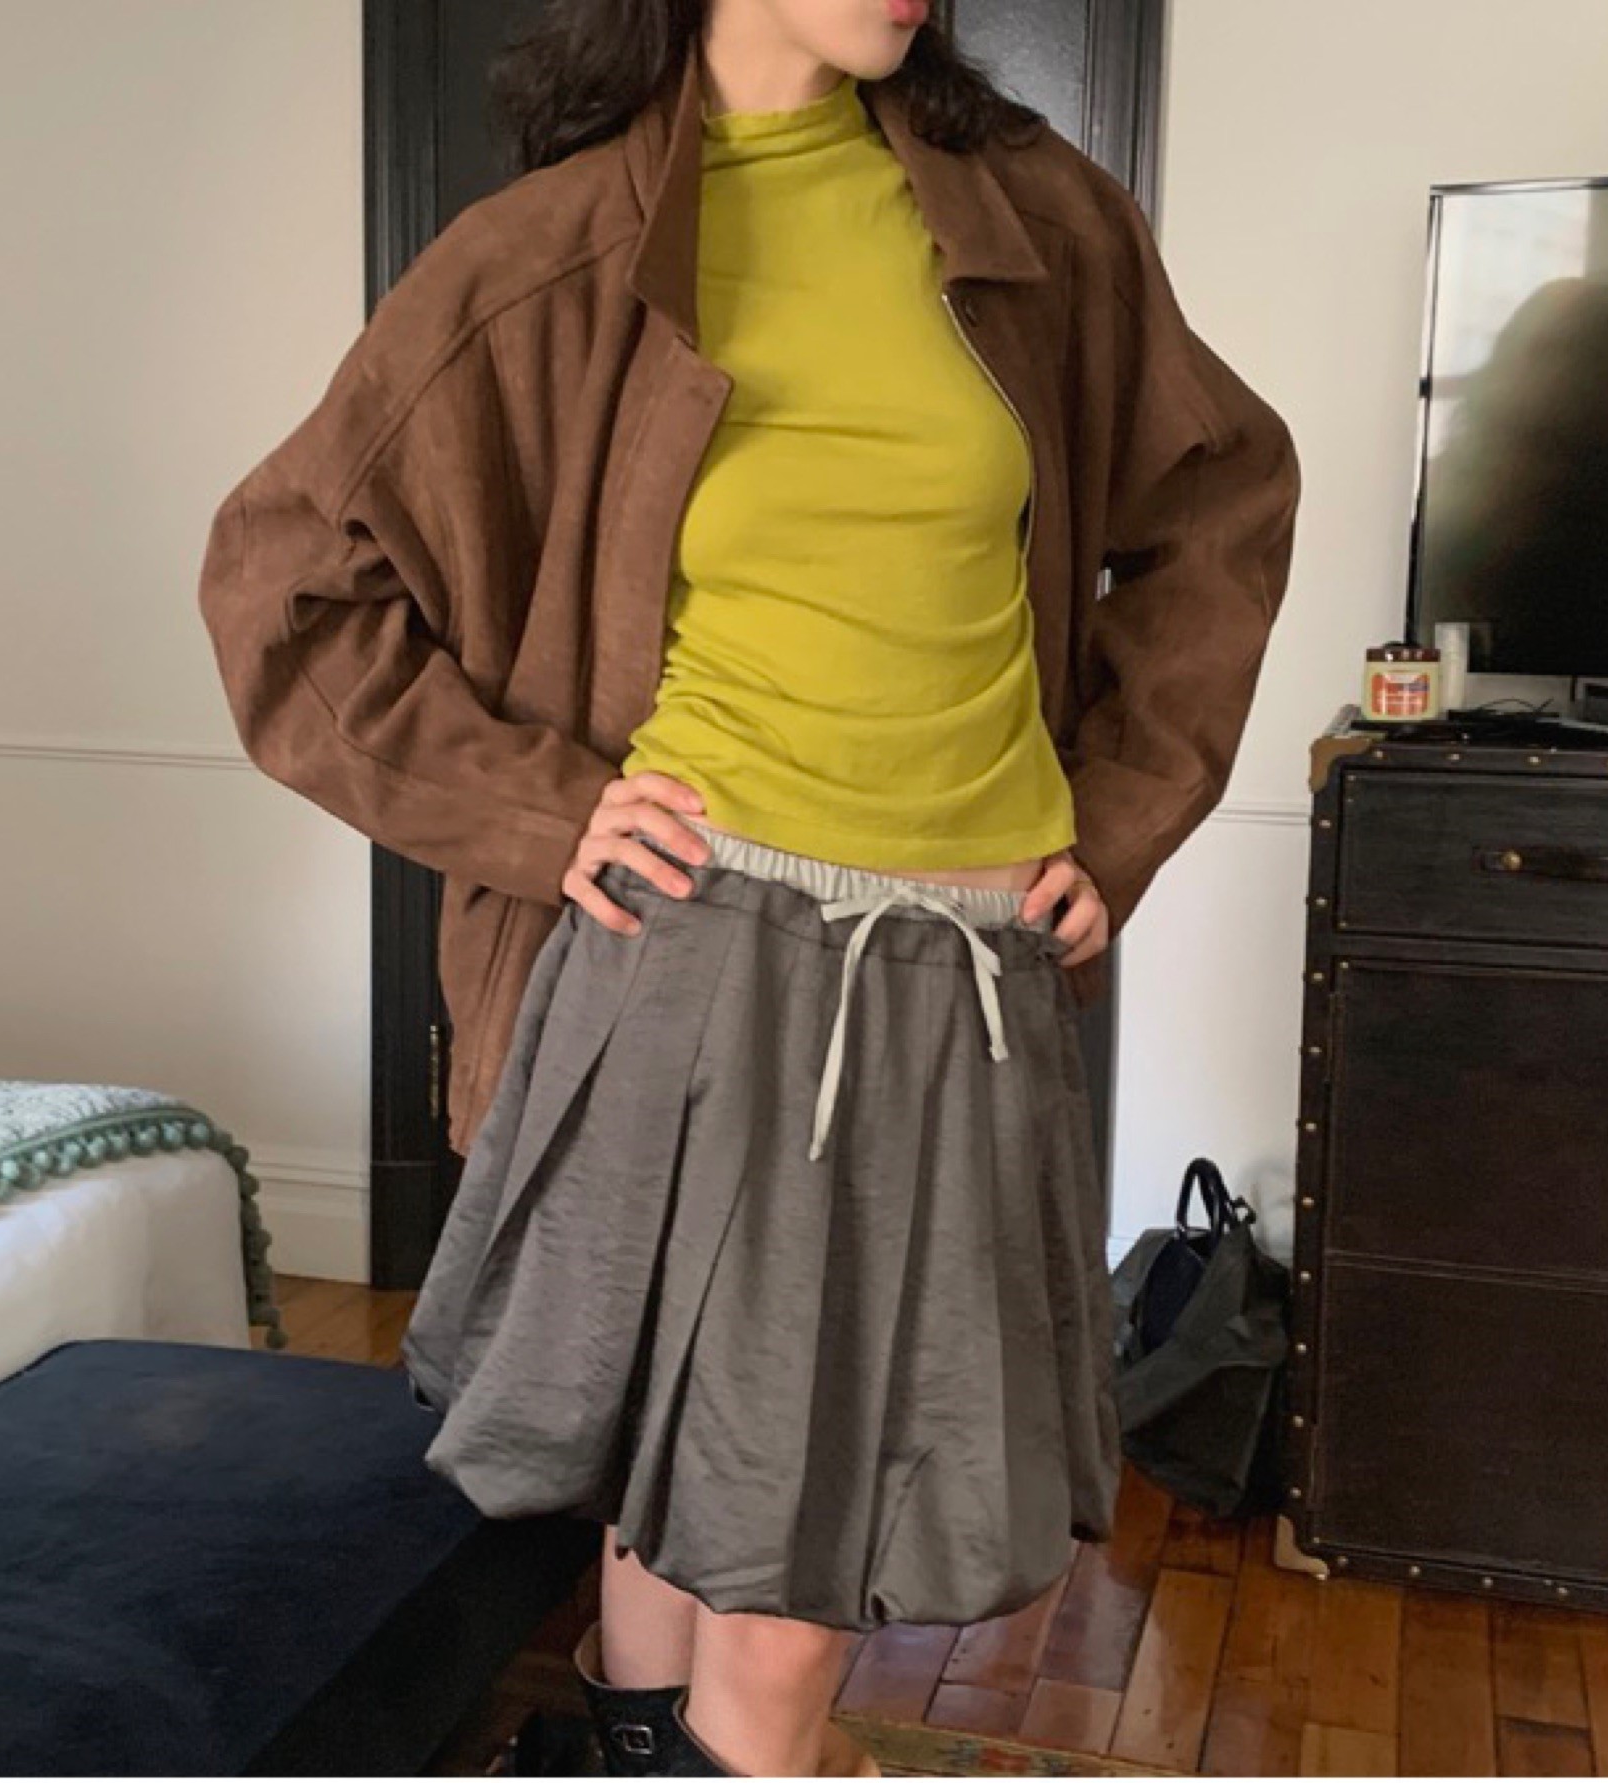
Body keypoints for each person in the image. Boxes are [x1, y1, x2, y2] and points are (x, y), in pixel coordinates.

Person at [198, 1, 1301, 1773]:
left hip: (966, 978)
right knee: (710, 1498)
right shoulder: (552, 256)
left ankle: (636, 1750)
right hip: (688, 959)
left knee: (775, 1515)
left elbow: (1223, 498)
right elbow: (282, 580)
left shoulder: (1036, 218)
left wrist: (1120, 817)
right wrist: (544, 810)